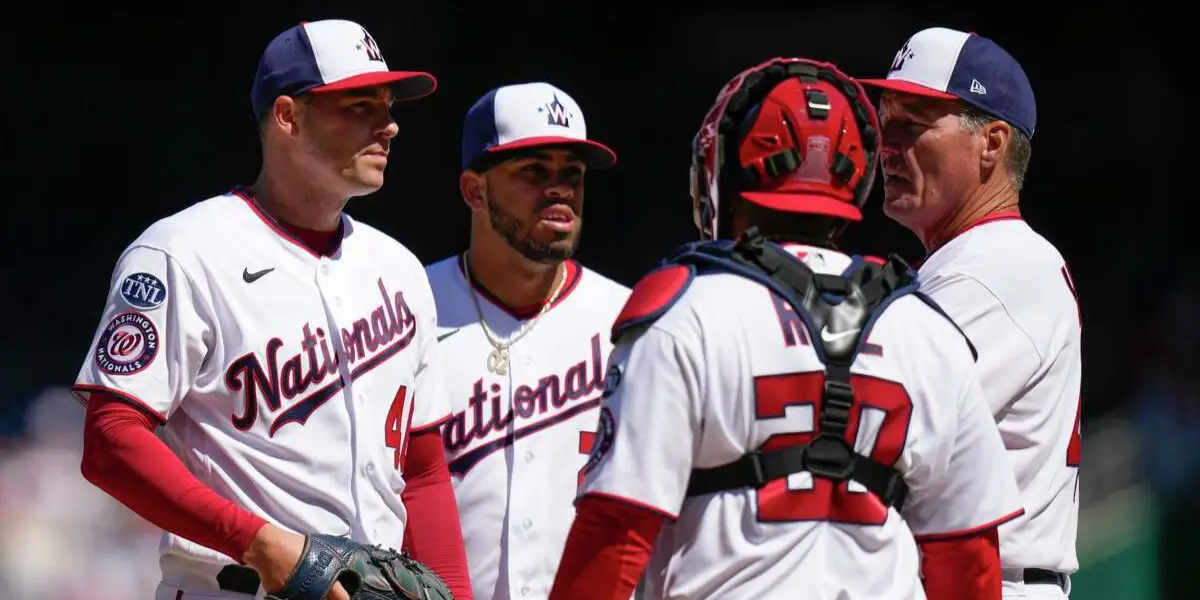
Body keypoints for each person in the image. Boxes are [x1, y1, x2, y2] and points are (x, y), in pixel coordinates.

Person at [547, 57, 1024, 600]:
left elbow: (614, 532)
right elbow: (968, 558)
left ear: (723, 172)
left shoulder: (684, 310)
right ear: (855, 179)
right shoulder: (927, 328)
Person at [73, 19, 471, 600]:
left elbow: (424, 471)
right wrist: (260, 544)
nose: (388, 125)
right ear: (288, 117)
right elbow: (110, 439)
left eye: (386, 107)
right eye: (360, 106)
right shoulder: (182, 252)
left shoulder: (399, 269)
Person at [857, 26, 1082, 598]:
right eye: (886, 120)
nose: (887, 142)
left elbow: (882, 431)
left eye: (914, 122)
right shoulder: (969, 261)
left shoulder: (996, 266)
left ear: (992, 143)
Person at [423, 81, 631, 600]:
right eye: (534, 171)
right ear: (475, 190)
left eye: (572, 174)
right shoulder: (410, 307)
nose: (559, 189)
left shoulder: (631, 321)